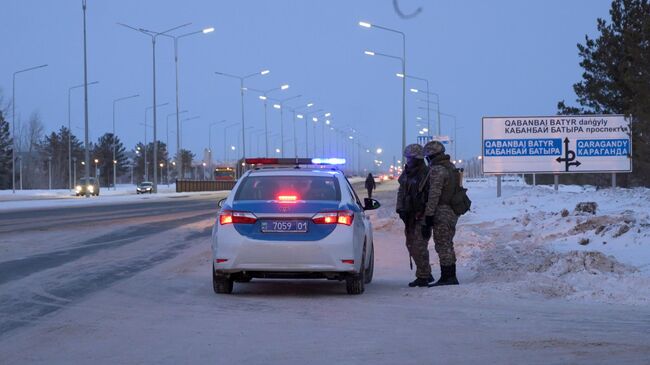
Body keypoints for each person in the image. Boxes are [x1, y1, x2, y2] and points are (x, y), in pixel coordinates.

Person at [396, 144, 435, 287]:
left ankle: (424, 275)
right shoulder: (406, 173)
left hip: (422, 214)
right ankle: (425, 272)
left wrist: (428, 215)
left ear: (417, 159)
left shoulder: (427, 174)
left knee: (419, 245)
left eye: (410, 158)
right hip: (409, 215)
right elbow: (401, 191)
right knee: (410, 244)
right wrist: (400, 208)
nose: (408, 161)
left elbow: (432, 196)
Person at [422, 140, 460, 286]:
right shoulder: (450, 167)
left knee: (443, 243)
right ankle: (449, 274)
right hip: (451, 210)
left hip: (442, 210)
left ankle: (448, 276)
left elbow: (434, 194)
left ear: (431, 156)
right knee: (447, 243)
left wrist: (429, 215)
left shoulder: (438, 169)